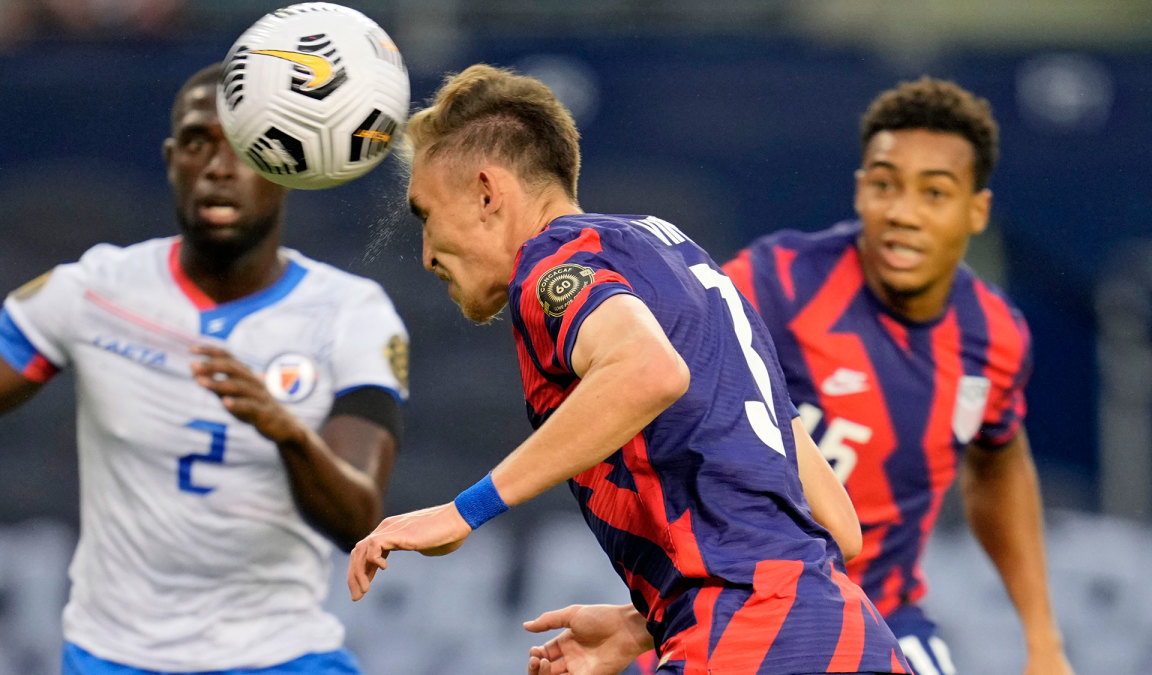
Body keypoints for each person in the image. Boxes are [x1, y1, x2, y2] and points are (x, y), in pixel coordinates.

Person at [346, 63, 909, 675]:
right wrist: (644, 623)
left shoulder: (551, 263)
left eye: (426, 215)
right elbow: (838, 529)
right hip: (848, 636)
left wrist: (463, 511)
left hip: (744, 641)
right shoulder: (682, 264)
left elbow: (647, 371)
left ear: (487, 193)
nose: (426, 253)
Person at [0, 63, 408, 673]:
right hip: (111, 658)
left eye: (247, 145)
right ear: (172, 159)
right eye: (198, 142)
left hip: (282, 657)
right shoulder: (94, 291)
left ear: (288, 164)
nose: (219, 167)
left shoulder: (351, 313)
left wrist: (287, 433)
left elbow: (358, 521)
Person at [717, 77, 1073, 675]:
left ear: (976, 210)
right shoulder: (774, 282)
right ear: (860, 191)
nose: (902, 213)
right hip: (740, 606)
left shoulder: (995, 335)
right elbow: (666, 385)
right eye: (884, 185)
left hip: (883, 616)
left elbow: (999, 462)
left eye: (934, 193)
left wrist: (1043, 640)